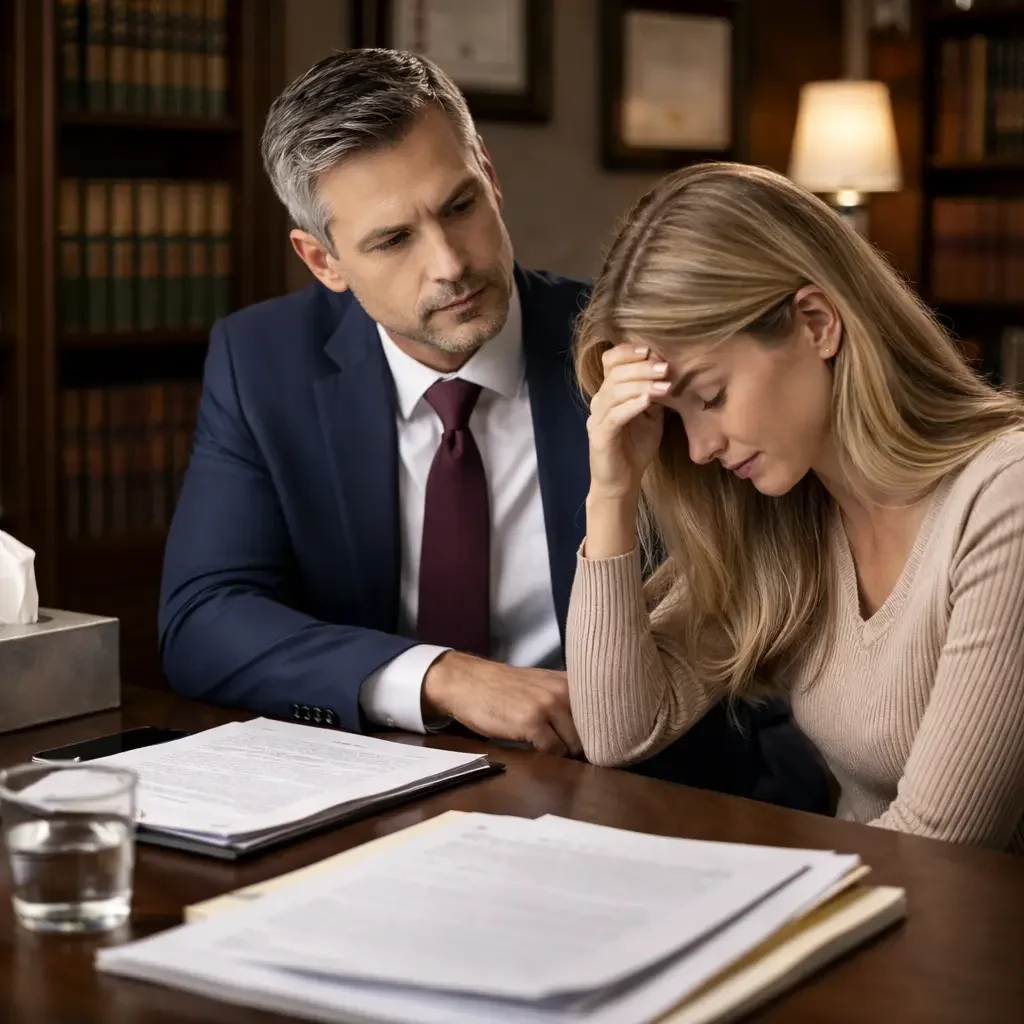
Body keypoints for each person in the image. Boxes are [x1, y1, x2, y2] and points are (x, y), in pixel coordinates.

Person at [157, 49, 829, 810]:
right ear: (323, 260)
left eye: (459, 206)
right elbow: (203, 619)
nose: (449, 263)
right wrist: (442, 676)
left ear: (491, 177)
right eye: (393, 240)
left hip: (642, 788)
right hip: (383, 797)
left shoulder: (625, 342)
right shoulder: (262, 364)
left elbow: (749, 613)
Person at [568, 160, 1024, 852]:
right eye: (677, 414)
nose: (699, 448)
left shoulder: (1003, 498)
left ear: (815, 323)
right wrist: (612, 491)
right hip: (866, 919)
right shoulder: (788, 509)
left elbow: (941, 849)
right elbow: (617, 732)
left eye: (712, 396)